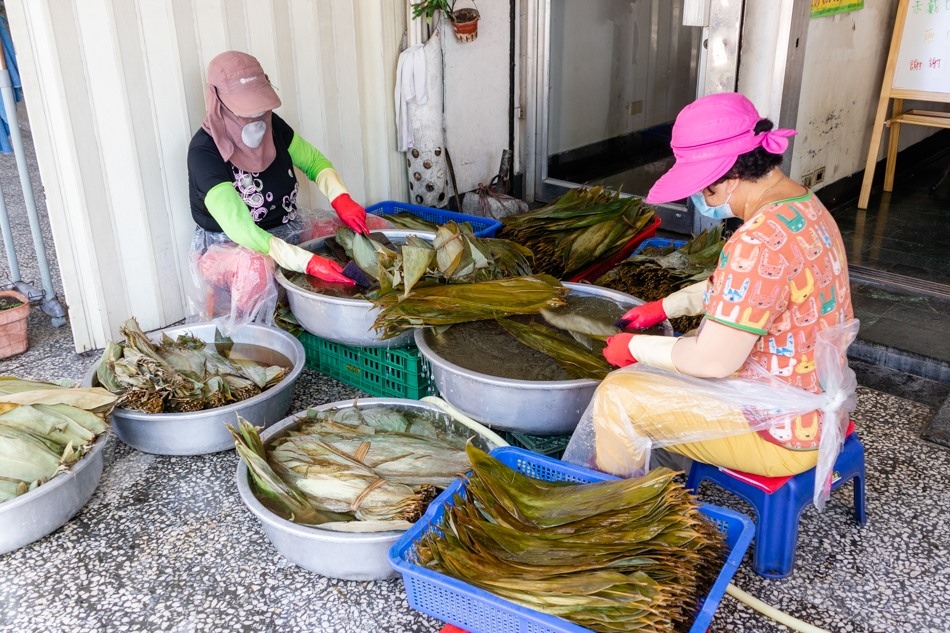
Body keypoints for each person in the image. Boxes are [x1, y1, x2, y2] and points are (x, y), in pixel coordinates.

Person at [585, 92, 855, 480]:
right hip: (812, 402)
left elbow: (714, 361)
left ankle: (623, 511)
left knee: (617, 395)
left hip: (781, 431)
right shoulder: (802, 204)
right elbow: (743, 293)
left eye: (702, 188)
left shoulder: (758, 240)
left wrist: (635, 347)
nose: (701, 198)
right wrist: (665, 307)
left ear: (728, 177)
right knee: (680, 349)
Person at [187, 50, 368, 330]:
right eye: (246, 112)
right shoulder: (204, 152)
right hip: (229, 247)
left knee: (357, 233)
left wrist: (340, 198)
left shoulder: (274, 128)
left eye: (262, 109)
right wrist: (307, 262)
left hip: (283, 228)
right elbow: (241, 230)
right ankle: (245, 334)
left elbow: (315, 163)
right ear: (218, 103)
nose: (257, 119)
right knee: (255, 268)